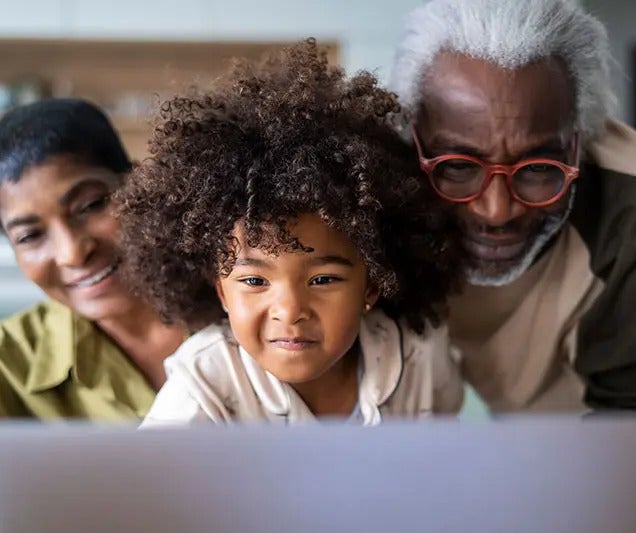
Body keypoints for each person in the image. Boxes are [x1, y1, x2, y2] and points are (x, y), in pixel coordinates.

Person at [390, 0, 636, 459]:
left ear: (579, 143)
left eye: (537, 168)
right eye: (459, 165)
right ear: (412, 136)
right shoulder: (372, 184)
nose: (497, 211)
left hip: (593, 437)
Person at [116, 40, 466, 426]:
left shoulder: (421, 353)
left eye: (322, 278)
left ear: (371, 284)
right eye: (253, 279)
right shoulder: (204, 383)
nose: (290, 310)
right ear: (220, 289)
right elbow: (148, 485)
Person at [0, 99, 186, 529]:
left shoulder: (255, 302)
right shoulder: (3, 365)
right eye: (30, 235)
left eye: (90, 206)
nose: (72, 251)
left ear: (138, 183)